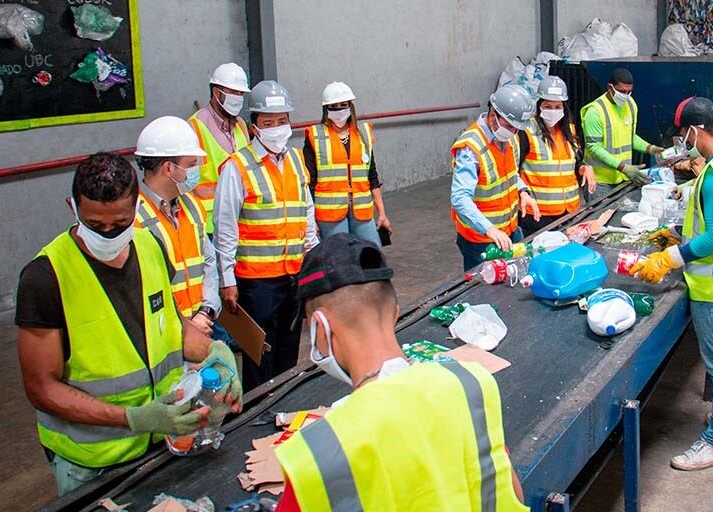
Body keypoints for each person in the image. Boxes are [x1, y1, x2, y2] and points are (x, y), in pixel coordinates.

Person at [16, 153, 241, 495]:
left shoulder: (149, 246)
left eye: (120, 224)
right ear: (72, 207)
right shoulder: (46, 277)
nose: (108, 235)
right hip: (93, 461)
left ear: (137, 207)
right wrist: (133, 418)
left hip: (160, 440)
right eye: (95, 225)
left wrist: (215, 350)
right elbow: (41, 388)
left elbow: (169, 323)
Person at [273, 233, 528, 511]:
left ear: (321, 329)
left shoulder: (315, 455)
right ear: (395, 312)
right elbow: (513, 493)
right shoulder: (472, 384)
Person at [629, 97, 713, 471]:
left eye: (682, 133)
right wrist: (677, 233)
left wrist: (669, 258)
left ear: (695, 130)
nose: (681, 141)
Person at [214, 80, 319, 390]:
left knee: (288, 348)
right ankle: (257, 411)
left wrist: (312, 259)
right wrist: (227, 280)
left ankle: (282, 403)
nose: (277, 128)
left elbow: (306, 211)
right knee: (259, 352)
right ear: (254, 126)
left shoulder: (297, 160)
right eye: (268, 122)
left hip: (293, 274)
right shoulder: (238, 167)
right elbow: (225, 227)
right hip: (256, 281)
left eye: (282, 121)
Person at [133, 116, 221, 335]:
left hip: (200, 327)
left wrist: (206, 311)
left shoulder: (192, 205)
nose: (196, 171)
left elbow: (208, 263)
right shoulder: (133, 217)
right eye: (191, 165)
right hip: (162, 334)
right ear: (168, 168)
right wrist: (184, 325)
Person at [450, 83, 541, 271]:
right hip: (481, 240)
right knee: (483, 291)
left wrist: (523, 192)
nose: (513, 132)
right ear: (493, 115)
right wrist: (488, 229)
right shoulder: (470, 147)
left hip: (510, 231)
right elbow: (460, 198)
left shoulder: (510, 138)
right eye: (509, 126)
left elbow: (510, 174)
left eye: (516, 128)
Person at [304, 81, 392, 246]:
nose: (339, 110)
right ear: (326, 109)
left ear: (350, 106)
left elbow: (372, 176)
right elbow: (309, 183)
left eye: (343, 105)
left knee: (372, 255)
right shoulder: (315, 136)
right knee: (340, 260)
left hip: (362, 210)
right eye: (334, 106)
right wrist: (310, 222)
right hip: (329, 214)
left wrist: (382, 213)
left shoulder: (363, 134)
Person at [516, 76, 596, 236]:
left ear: (564, 107)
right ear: (539, 105)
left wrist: (584, 168)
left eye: (557, 106)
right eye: (548, 106)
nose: (553, 111)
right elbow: (512, 171)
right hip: (538, 216)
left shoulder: (570, 131)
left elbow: (574, 163)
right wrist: (521, 192)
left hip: (569, 213)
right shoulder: (527, 132)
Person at [580, 67, 664, 200]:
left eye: (629, 92)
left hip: (622, 178)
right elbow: (593, 147)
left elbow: (630, 137)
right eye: (621, 91)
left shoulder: (630, 105)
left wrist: (651, 148)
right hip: (600, 180)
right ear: (610, 87)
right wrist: (623, 167)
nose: (625, 95)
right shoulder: (595, 111)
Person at [189, 62, 251, 233]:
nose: (238, 97)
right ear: (216, 93)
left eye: (241, 93)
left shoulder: (241, 126)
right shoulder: (194, 127)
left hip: (243, 218)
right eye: (233, 92)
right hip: (210, 224)